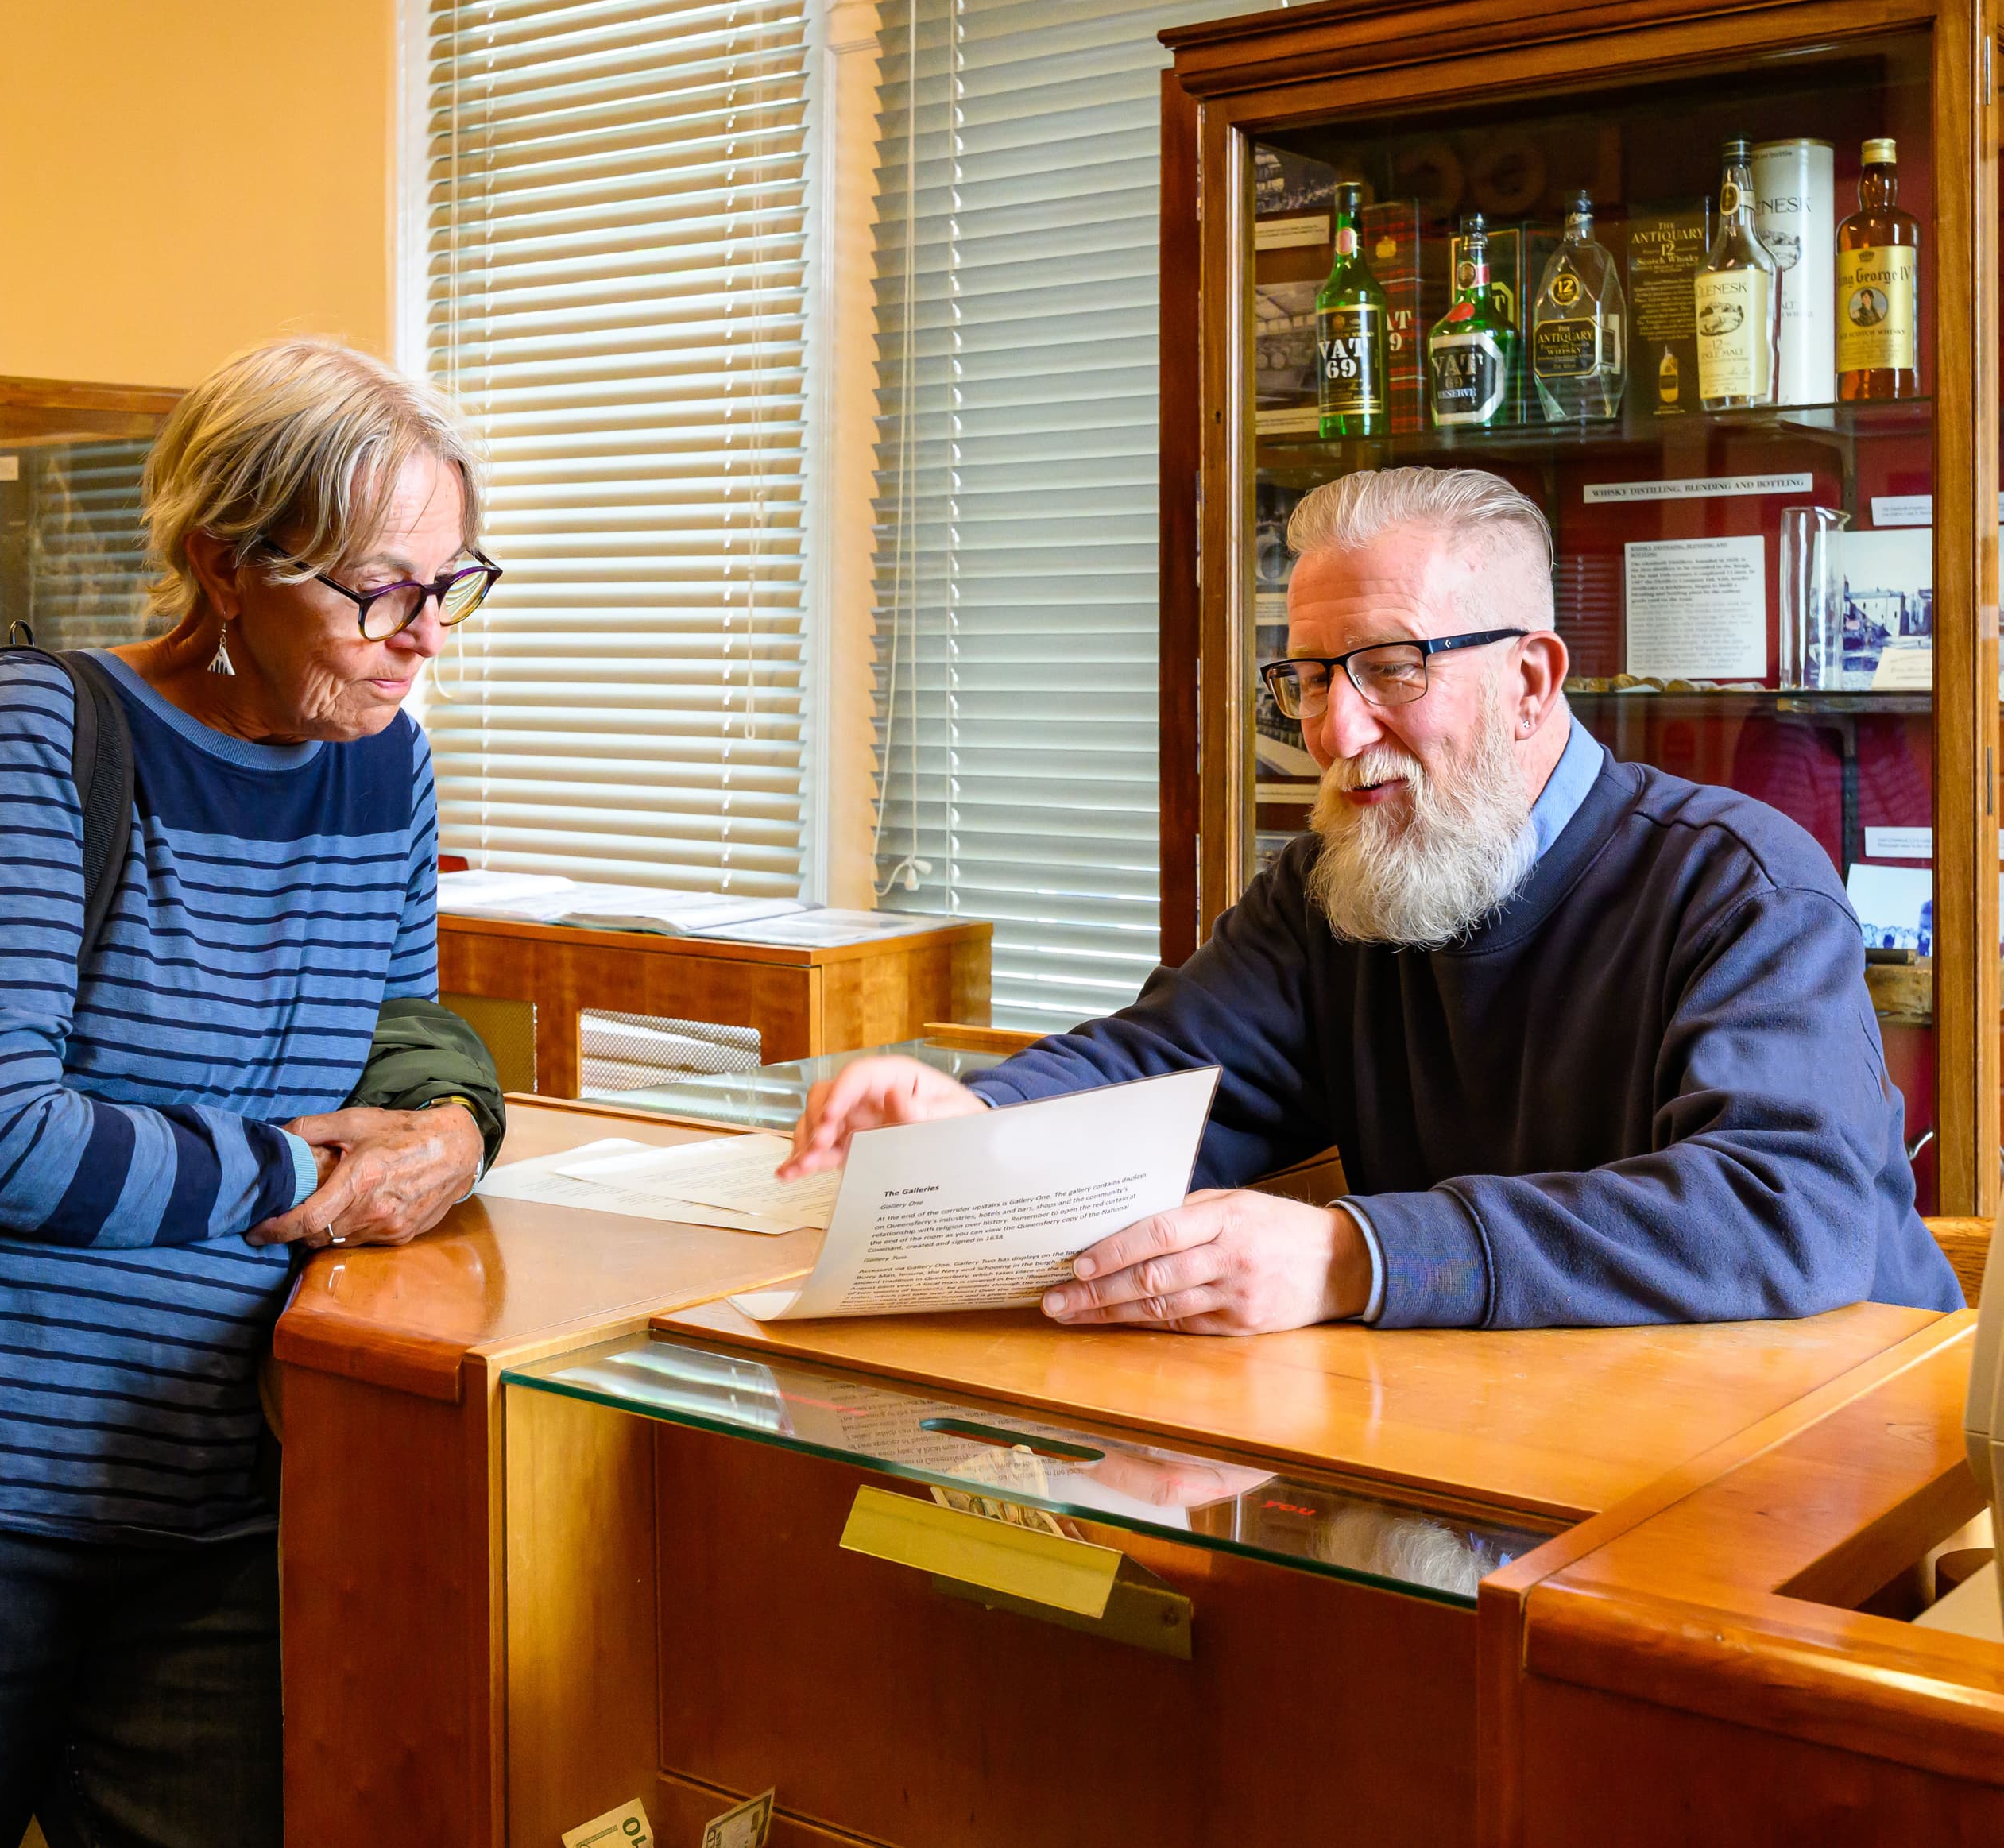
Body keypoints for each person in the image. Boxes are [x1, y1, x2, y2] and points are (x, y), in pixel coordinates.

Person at [0, 338, 506, 1847]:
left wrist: (457, 1132)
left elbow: (401, 1032)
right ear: (225, 566)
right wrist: (295, 1170)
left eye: (451, 581)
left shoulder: (385, 761)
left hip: (224, 1500)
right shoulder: (47, 724)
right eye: (379, 588)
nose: (424, 636)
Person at [787, 464, 1959, 1332]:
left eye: (1393, 668)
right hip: (1529, 1444)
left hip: (1835, 1468)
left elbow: (1778, 1207)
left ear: (1531, 680)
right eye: (1307, 677)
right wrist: (982, 1124)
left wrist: (1358, 1258)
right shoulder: (1335, 890)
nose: (1336, 733)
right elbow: (1164, 1077)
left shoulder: (1739, 886)